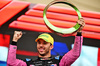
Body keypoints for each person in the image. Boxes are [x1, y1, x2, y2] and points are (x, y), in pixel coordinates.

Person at [7, 18, 85, 66]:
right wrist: (14, 41)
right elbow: (11, 62)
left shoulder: (59, 62)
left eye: (45, 43)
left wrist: (79, 32)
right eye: (39, 43)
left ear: (51, 46)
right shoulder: (29, 63)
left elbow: (75, 54)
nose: (41, 45)